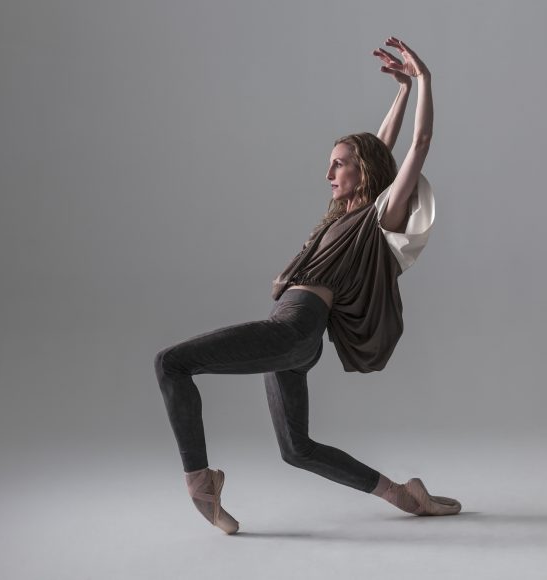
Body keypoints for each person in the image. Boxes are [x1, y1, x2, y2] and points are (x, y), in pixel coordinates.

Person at [154, 36, 460, 535]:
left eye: (339, 163)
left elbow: (415, 147)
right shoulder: (344, 215)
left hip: (295, 331)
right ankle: (403, 495)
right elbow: (380, 148)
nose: (328, 173)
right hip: (292, 336)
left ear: (364, 174)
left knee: (171, 362)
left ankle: (199, 482)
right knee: (296, 448)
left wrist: (424, 80)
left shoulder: (379, 220)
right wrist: (399, 92)